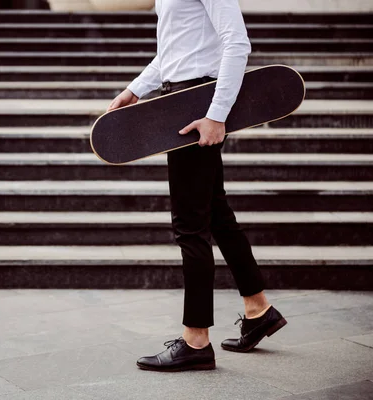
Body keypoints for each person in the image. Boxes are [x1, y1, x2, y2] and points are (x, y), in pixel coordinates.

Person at [107, 0, 287, 372]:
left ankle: (196, 340)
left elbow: (237, 43)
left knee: (190, 225)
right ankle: (259, 309)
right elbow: (176, 50)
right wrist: (136, 89)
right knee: (215, 213)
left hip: (196, 107)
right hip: (179, 99)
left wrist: (216, 115)